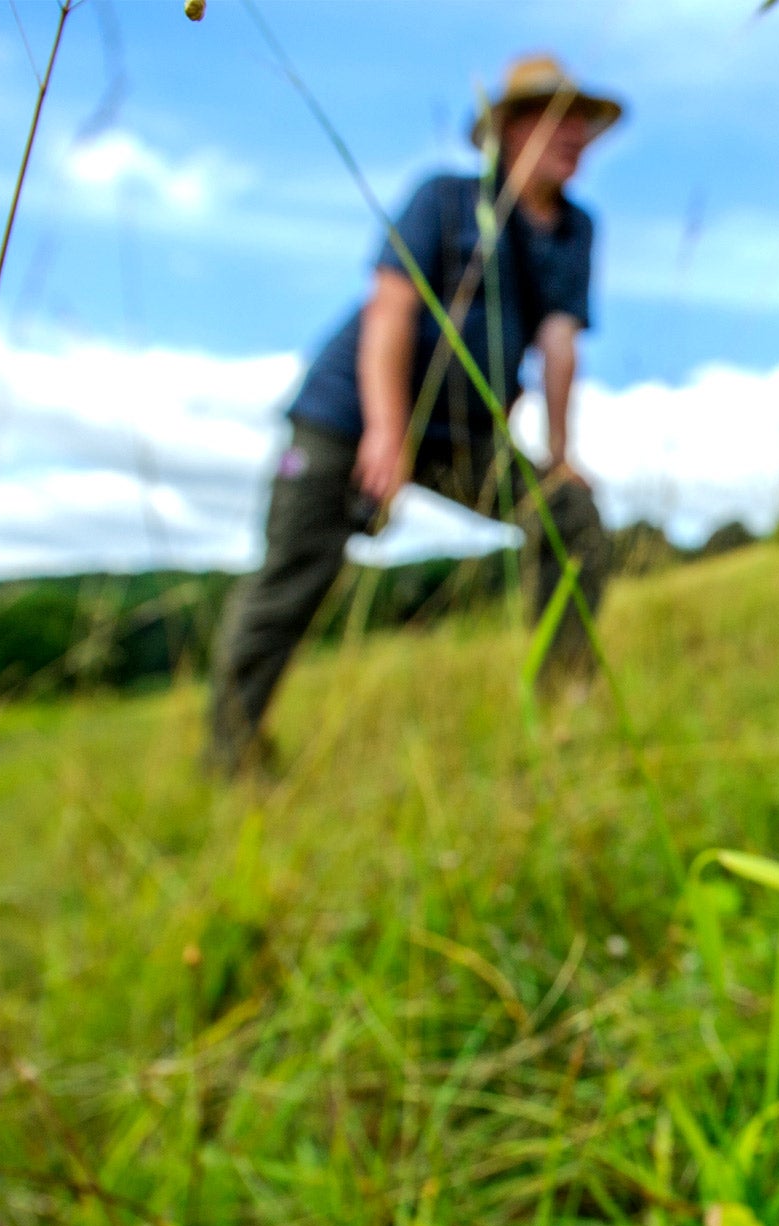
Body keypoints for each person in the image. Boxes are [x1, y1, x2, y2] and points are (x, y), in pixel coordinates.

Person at [207, 54, 620, 774]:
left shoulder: (573, 232)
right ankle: (233, 753)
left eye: (583, 123)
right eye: (558, 118)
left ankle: (560, 708)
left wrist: (560, 455)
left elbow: (559, 344)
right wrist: (385, 434)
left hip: (464, 434)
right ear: (512, 130)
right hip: (347, 419)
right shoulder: (447, 199)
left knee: (569, 517)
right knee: (293, 575)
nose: (577, 135)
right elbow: (391, 308)